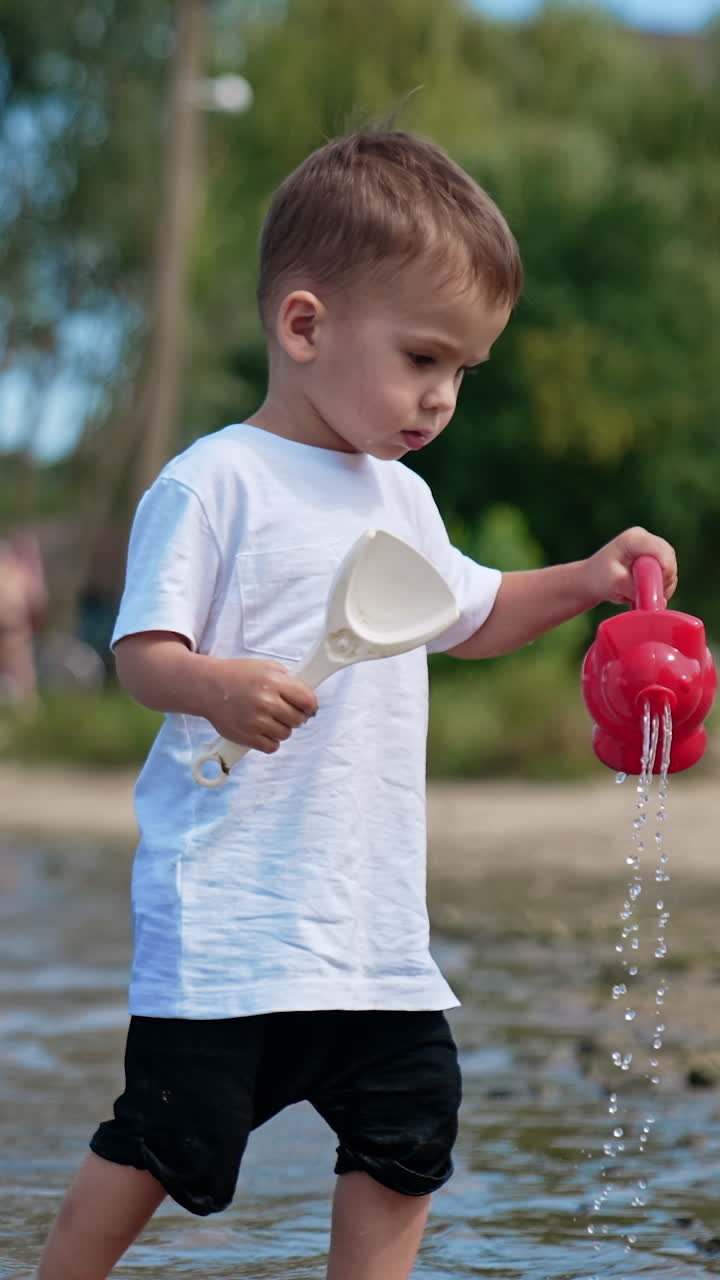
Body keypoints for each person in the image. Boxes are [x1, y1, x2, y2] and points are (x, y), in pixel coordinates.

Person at [36, 128, 677, 1280]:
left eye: (464, 373)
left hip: (372, 934)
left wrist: (585, 577)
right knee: (167, 1135)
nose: (440, 397)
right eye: (425, 357)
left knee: (411, 1128)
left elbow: (472, 616)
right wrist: (217, 686)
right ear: (304, 324)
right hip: (233, 927)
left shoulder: (407, 502)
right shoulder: (213, 481)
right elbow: (143, 654)